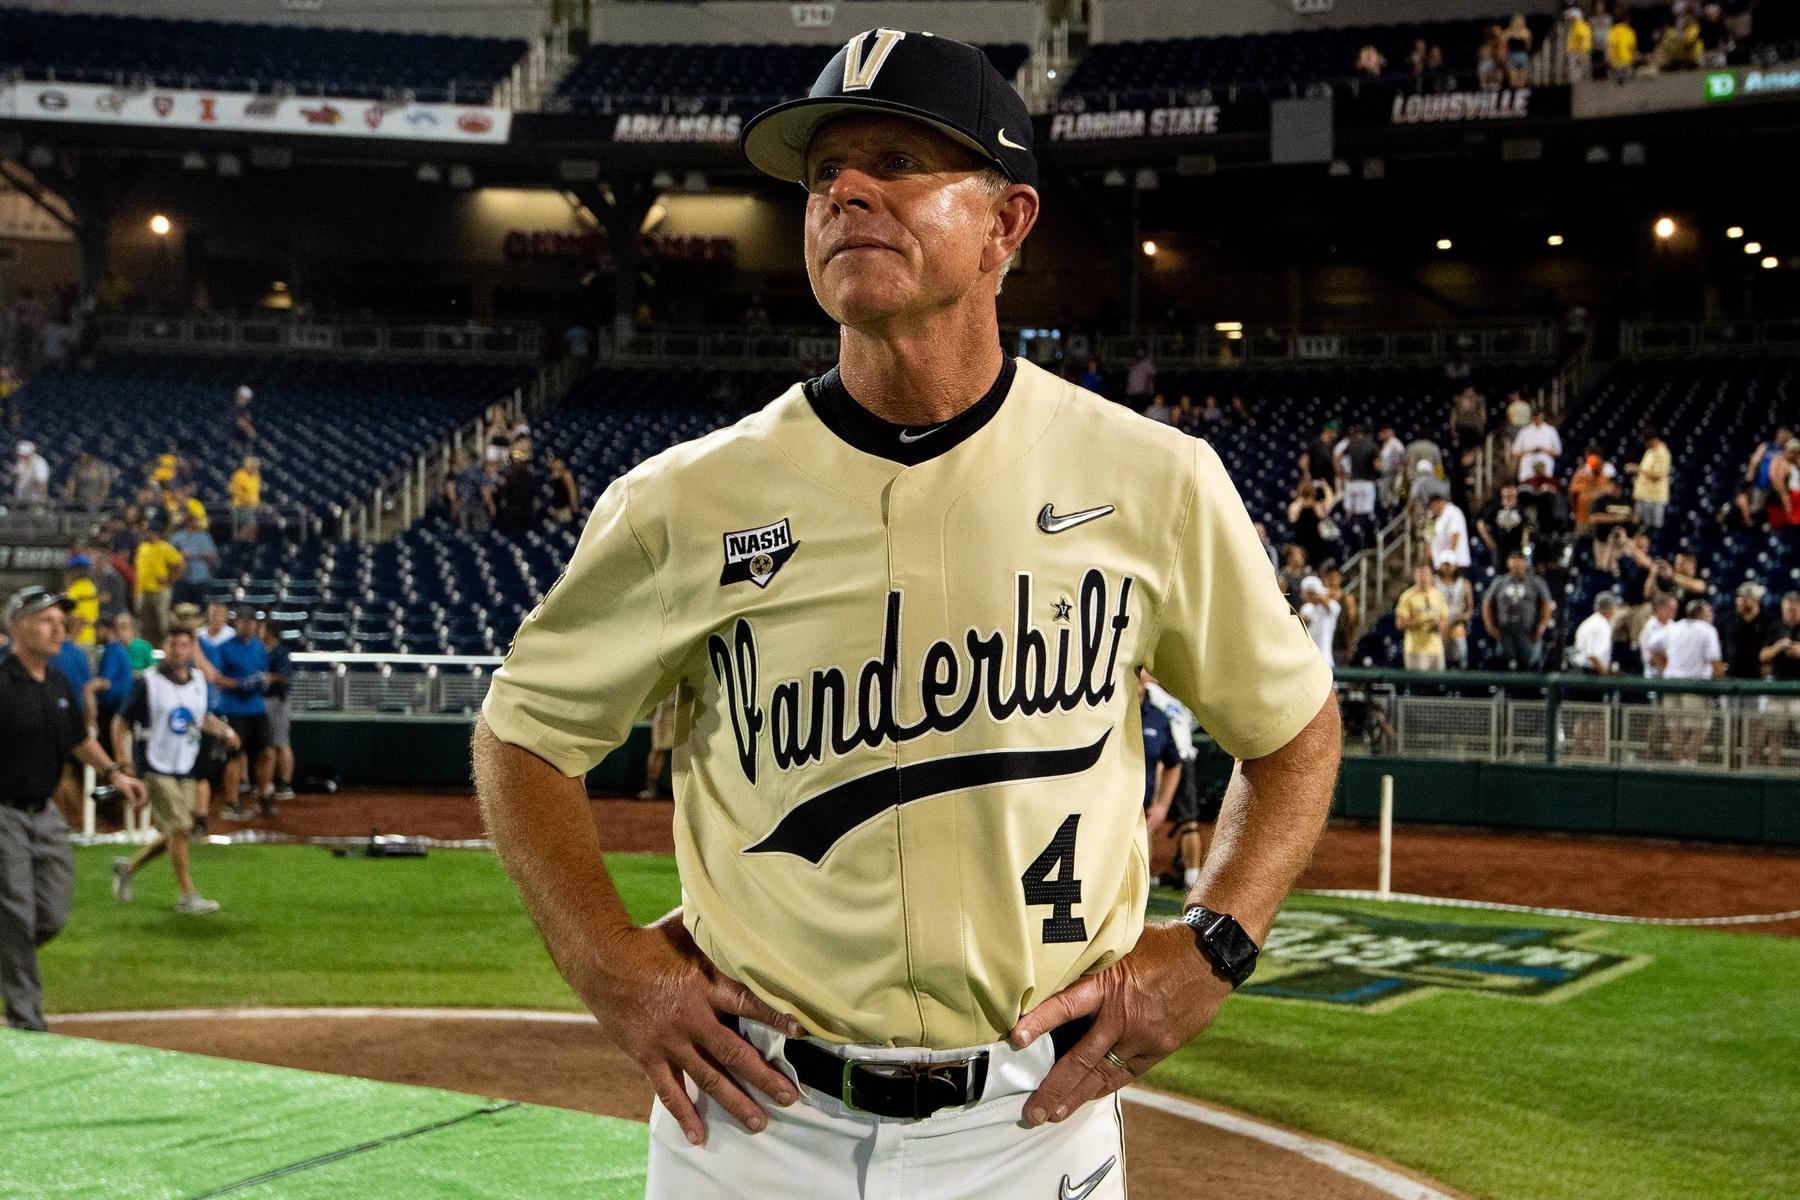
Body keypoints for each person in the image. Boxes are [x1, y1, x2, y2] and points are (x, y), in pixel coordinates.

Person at [473, 32, 1340, 1195]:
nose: (844, 189)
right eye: (824, 171)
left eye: (898, 159)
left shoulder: (1153, 480)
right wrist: (611, 969)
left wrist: (1218, 942)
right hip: (755, 1125)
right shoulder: (682, 503)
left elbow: (1292, 730)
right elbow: (522, 737)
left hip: (1030, 1118)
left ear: (1009, 223)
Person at [1, 587, 145, 1030]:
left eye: (62, 621)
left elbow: (78, 740)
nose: (59, 628)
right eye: (47, 620)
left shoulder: (60, 681)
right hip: (2, 813)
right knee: (16, 914)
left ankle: (10, 960)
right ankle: (29, 1022)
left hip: (44, 815)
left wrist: (115, 772)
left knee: (52, 914)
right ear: (16, 627)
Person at [109, 626, 237, 915]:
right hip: (155, 764)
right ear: (165, 646)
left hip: (185, 763)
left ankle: (128, 867)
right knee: (180, 827)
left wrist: (225, 731)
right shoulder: (149, 682)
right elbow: (120, 721)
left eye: (184, 645)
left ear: (192, 648)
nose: (179, 650)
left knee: (177, 830)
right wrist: (123, 760)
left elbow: (200, 718)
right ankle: (187, 894)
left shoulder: (198, 682)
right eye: (173, 644)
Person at [215, 608, 275, 819]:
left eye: (251, 622)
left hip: (256, 707)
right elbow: (217, 678)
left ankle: (263, 796)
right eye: (243, 621)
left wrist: (263, 682)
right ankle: (231, 802)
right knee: (235, 756)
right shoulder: (224, 648)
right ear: (236, 623)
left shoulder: (259, 647)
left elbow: (264, 674)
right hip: (234, 708)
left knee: (267, 753)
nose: (247, 625)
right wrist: (240, 683)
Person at [1661, 599, 1723, 765]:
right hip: (1695, 685)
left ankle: (1678, 762)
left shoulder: (1673, 627)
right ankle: (1690, 760)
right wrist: (1720, 679)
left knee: (1675, 727)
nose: (1711, 615)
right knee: (1701, 725)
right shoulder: (1707, 630)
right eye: (1708, 612)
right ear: (1700, 614)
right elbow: (1716, 664)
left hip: (1670, 683)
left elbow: (1653, 645)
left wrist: (1664, 664)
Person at [1482, 550, 1554, 670]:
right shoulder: (1499, 581)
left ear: (1525, 563)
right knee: (1505, 666)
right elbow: (1487, 603)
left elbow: (1547, 604)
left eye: (1520, 561)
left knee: (1527, 666)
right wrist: (1489, 626)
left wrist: (1542, 626)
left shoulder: (1536, 582)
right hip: (1504, 632)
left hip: (1528, 632)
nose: (1517, 565)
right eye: (1513, 561)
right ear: (1508, 563)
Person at [1137, 670, 1185, 836]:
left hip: (1139, 820)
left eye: (1141, 669)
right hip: (1100, 815)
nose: (1137, 675)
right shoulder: (1104, 713)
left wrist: (1162, 805)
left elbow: (1173, 763)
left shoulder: (1159, 718)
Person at [133, 522, 183, 647]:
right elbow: (138, 571)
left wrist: (169, 579)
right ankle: (149, 652)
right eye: (148, 532)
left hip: (160, 591)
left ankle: (167, 650)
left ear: (157, 533)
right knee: (145, 626)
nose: (149, 534)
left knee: (163, 625)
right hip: (144, 592)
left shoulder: (165, 547)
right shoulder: (142, 547)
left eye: (151, 532)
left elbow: (180, 564)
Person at [262, 620, 296, 802]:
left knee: (281, 743)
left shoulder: (281, 651)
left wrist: (266, 677)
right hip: (264, 700)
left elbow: (284, 676)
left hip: (278, 700)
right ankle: (269, 783)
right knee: (269, 744)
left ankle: (285, 783)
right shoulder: (262, 650)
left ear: (270, 632)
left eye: (262, 629)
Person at [1395, 561, 1448, 672]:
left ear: (1431, 577)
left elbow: (1444, 619)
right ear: (1415, 577)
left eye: (1426, 574)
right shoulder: (1407, 596)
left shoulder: (1438, 595)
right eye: (1420, 574)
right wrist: (1422, 621)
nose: (1423, 578)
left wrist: (1438, 624)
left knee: (1438, 685)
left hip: (1436, 649)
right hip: (1416, 650)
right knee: (1418, 686)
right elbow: (1399, 624)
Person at [169, 511, 219, 606]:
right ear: (189, 521)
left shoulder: (205, 537)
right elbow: (169, 556)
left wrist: (207, 555)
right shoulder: (177, 537)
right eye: (195, 520)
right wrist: (181, 555)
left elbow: (214, 556)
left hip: (201, 578)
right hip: (183, 578)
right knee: (181, 608)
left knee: (202, 607)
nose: (198, 522)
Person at [1627, 431, 1672, 533]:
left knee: (1651, 531)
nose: (1645, 445)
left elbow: (1657, 476)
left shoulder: (1663, 453)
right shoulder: (1650, 452)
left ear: (1652, 440)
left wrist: (1637, 469)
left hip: (1653, 499)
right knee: (1639, 529)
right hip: (1643, 496)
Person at [638, 690, 678, 801]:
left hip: (688, 708)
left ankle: (687, 789)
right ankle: (651, 789)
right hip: (665, 711)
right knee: (658, 750)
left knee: (688, 752)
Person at [1436, 554, 1475, 669]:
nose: (1446, 567)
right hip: (1439, 625)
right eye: (1444, 564)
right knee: (1440, 661)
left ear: (1455, 565)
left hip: (1457, 624)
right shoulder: (1434, 582)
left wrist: (1462, 618)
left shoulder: (1464, 583)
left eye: (1449, 564)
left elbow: (1470, 609)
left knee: (1461, 657)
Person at [1477, 483, 1530, 565]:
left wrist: (1525, 539)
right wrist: (1488, 540)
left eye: (1512, 496)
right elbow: (1480, 523)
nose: (1509, 499)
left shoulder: (1521, 509)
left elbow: (1526, 526)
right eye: (1507, 496)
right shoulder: (1494, 508)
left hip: (1516, 547)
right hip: (1499, 547)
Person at [1510, 411, 1562, 485]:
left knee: (1545, 485)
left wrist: (1543, 450)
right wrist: (1530, 451)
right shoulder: (1524, 431)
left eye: (1539, 417)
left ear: (1543, 417)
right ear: (1533, 417)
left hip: (1545, 459)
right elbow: (1516, 451)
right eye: (1536, 417)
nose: (1537, 419)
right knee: (1526, 485)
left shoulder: (1551, 431)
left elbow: (1557, 452)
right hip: (1528, 461)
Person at [229, 455, 262, 544]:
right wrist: (247, 500)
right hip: (241, 505)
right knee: (250, 526)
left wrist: (257, 504)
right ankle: (238, 543)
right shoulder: (239, 475)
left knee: (253, 531)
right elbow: (233, 490)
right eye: (252, 466)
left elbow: (256, 492)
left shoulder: (256, 475)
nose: (254, 468)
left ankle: (248, 548)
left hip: (253, 507)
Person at [548, 457, 580, 523]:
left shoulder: (566, 475)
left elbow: (572, 490)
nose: (558, 465)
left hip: (564, 506)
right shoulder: (553, 475)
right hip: (556, 505)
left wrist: (573, 504)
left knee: (564, 523)